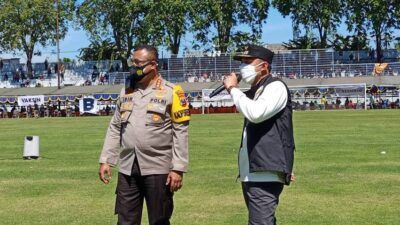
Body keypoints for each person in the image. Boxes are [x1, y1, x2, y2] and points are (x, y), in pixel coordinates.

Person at [98, 45, 190, 225]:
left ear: (153, 65)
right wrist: (106, 159)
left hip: (158, 167)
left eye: (138, 63)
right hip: (127, 167)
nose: (134, 66)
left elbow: (181, 132)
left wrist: (178, 168)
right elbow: (115, 126)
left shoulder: (172, 92)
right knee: (125, 220)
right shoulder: (126, 90)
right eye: (132, 62)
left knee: (159, 220)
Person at [223, 45, 295, 225]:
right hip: (254, 171)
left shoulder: (275, 87)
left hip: (265, 172)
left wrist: (233, 89)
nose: (243, 67)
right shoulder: (258, 89)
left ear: (264, 66)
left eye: (248, 62)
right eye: (242, 63)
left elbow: (256, 113)